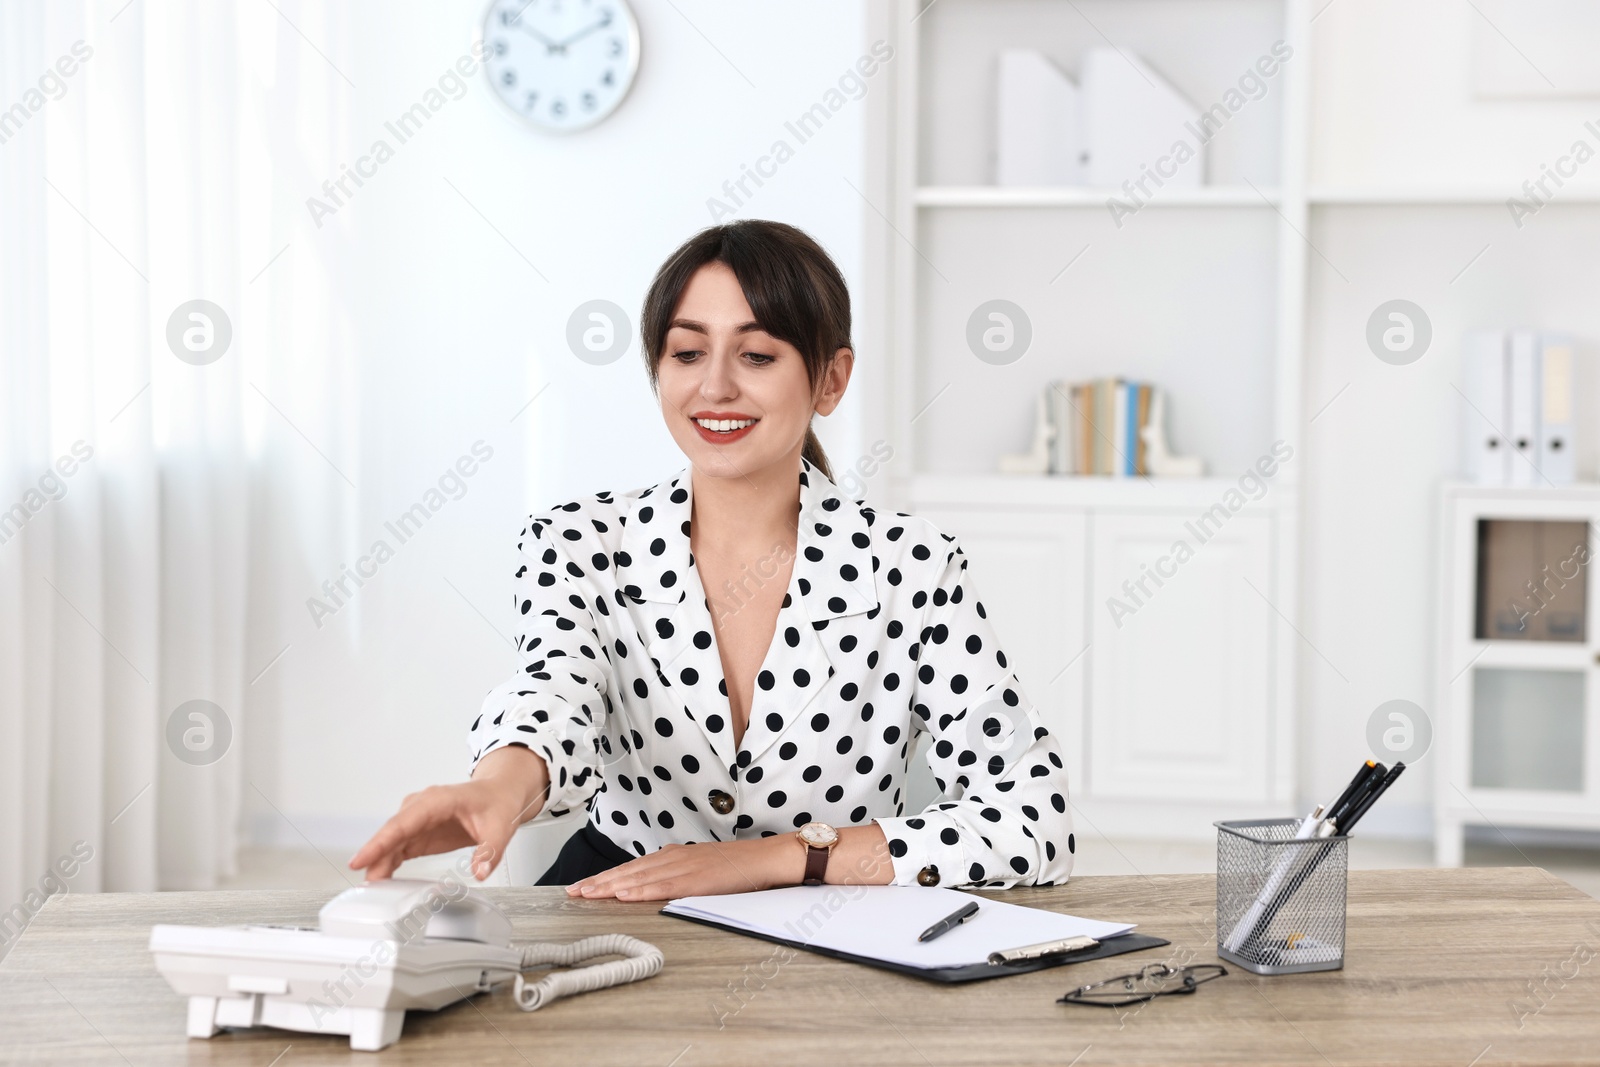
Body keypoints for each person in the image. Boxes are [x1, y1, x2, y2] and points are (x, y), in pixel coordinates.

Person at [350, 220, 1076, 900]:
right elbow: (555, 694)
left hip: (830, 910)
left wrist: (774, 857)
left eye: (757, 355)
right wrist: (498, 786)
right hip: (618, 894)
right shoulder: (577, 541)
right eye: (687, 353)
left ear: (831, 379)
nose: (716, 386)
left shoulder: (913, 565)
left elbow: (1035, 817)